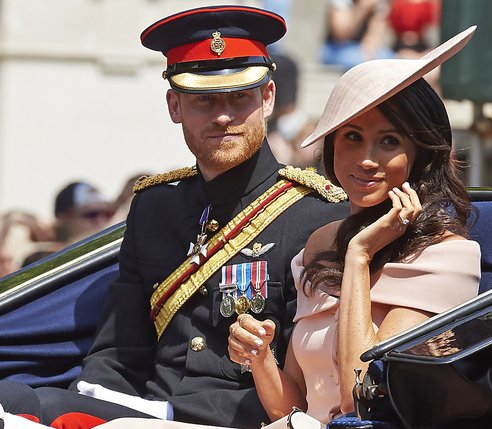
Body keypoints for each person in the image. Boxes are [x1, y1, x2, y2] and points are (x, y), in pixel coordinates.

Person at [0, 5, 347, 429]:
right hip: (143, 414)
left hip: (244, 420)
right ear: (174, 105)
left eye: (240, 97)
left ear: (268, 98)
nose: (223, 116)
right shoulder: (155, 206)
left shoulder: (317, 214)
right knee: (14, 397)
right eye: (204, 100)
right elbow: (118, 352)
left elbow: (314, 381)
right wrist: (96, 406)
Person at [228, 26, 480, 424]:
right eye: (352, 136)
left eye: (389, 141)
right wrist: (259, 358)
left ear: (420, 152)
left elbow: (358, 399)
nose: (366, 159)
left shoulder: (448, 256)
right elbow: (292, 406)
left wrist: (359, 257)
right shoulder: (321, 243)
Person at [321, 0, 395, 70]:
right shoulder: (341, 3)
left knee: (389, 59)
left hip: (360, 51)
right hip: (336, 49)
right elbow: (342, 35)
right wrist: (363, 8)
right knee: (357, 60)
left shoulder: (379, 4)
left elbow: (374, 38)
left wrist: (369, 56)